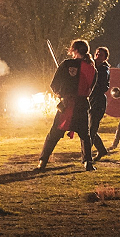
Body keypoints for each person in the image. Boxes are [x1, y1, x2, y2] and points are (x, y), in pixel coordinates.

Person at [37, 40, 97, 171]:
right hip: (82, 104)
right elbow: (91, 88)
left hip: (67, 105)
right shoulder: (92, 68)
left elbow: (54, 85)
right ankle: (88, 163)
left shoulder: (66, 65)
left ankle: (43, 161)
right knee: (85, 136)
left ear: (74, 50)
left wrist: (60, 93)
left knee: (54, 134)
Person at [88, 46, 110, 161]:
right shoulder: (92, 67)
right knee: (89, 128)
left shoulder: (103, 70)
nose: (97, 56)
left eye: (100, 55)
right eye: (96, 54)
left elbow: (101, 87)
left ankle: (86, 156)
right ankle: (101, 150)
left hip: (99, 101)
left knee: (92, 129)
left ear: (105, 58)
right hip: (90, 100)